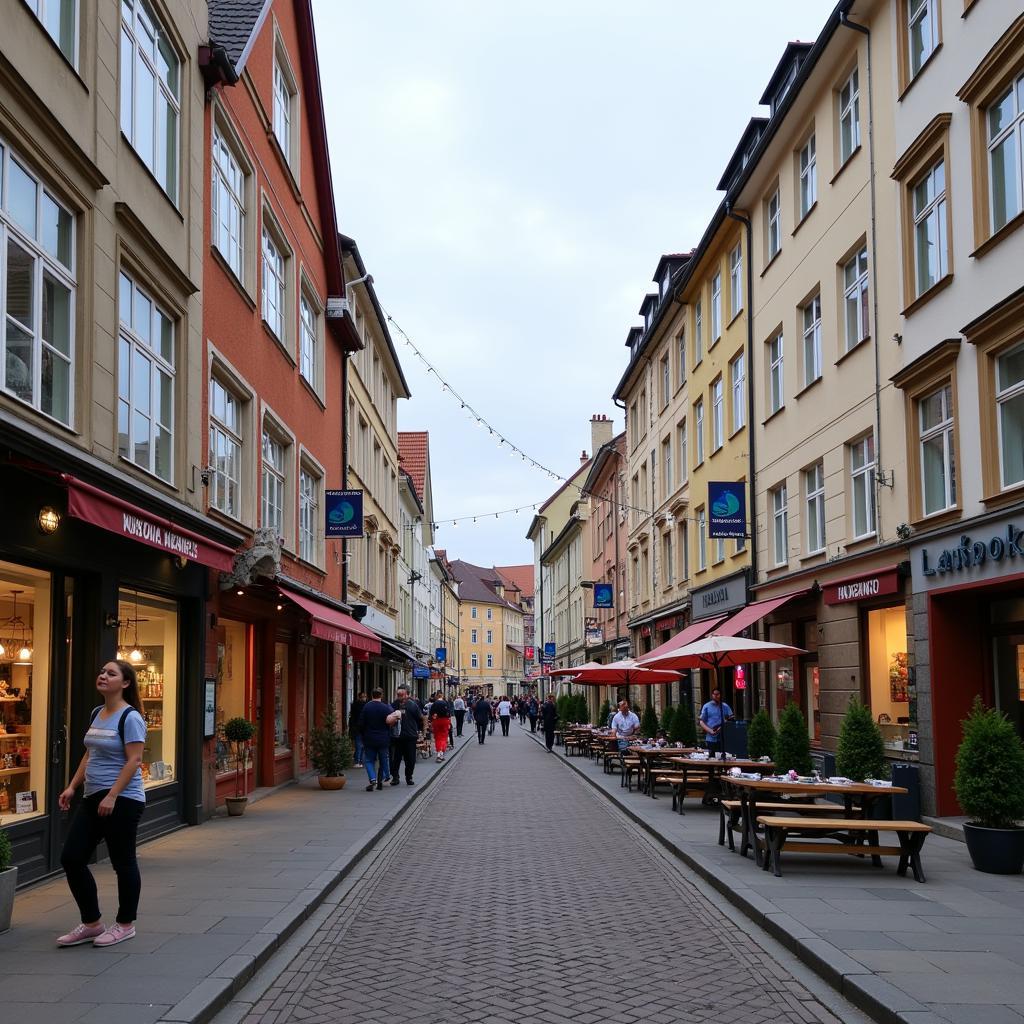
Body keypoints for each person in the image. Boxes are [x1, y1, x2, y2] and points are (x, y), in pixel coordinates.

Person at [57, 660, 148, 948]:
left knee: (123, 863)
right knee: (71, 858)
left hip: (123, 799)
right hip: (92, 796)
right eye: (102, 672)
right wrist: (73, 786)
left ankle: (124, 925)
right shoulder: (97, 712)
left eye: (111, 673)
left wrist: (113, 795)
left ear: (125, 683)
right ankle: (92, 923)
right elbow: (89, 755)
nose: (103, 676)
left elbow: (134, 760)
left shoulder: (130, 717)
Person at [359, 689, 398, 791]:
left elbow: (361, 723)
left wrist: (362, 735)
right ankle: (386, 775)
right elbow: (392, 721)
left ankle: (372, 779)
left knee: (369, 760)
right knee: (384, 758)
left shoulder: (366, 707)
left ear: (371, 695)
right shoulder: (386, 708)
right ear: (381, 695)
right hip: (383, 738)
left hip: (369, 738)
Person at [389, 686, 424, 786]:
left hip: (410, 736)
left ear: (406, 695)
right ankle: (395, 777)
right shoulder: (394, 705)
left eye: (402, 695)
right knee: (396, 759)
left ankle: (409, 777)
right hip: (397, 737)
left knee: (410, 759)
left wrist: (421, 731)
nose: (400, 697)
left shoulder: (413, 705)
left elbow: (420, 718)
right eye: (398, 695)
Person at [699, 687, 734, 758]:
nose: (716, 696)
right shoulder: (707, 706)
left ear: (720, 695)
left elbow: (730, 718)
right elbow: (701, 721)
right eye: (714, 694)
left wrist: (722, 727)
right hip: (710, 737)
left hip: (723, 737)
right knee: (711, 757)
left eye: (718, 694)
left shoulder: (725, 706)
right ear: (712, 695)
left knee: (723, 756)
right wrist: (710, 731)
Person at [429, 691, 452, 762]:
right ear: (442, 696)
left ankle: (439, 752)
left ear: (436, 696)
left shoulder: (435, 704)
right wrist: (449, 723)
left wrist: (431, 721)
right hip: (445, 721)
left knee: (437, 737)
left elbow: (431, 714)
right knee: (444, 737)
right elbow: (449, 714)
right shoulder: (446, 703)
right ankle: (441, 753)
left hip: (437, 721)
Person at [348, 691, 367, 768]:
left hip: (357, 728)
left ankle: (359, 760)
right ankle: (358, 761)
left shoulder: (354, 705)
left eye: (365, 696)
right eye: (363, 697)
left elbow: (351, 717)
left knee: (359, 745)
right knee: (360, 745)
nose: (364, 698)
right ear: (359, 697)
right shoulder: (363, 706)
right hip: (361, 728)